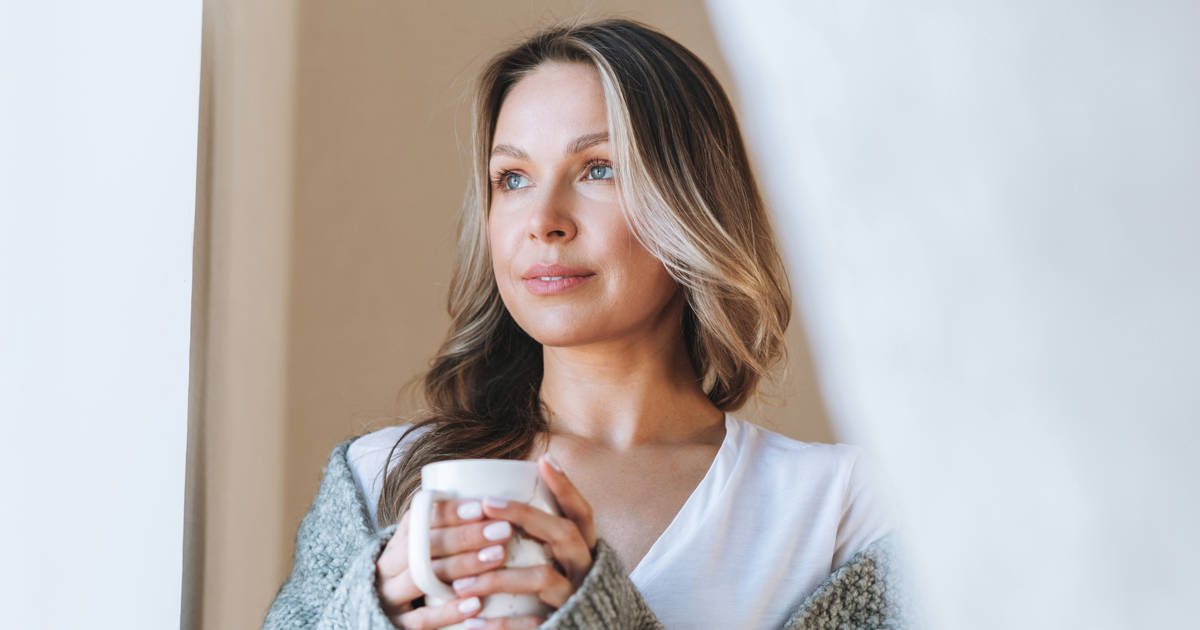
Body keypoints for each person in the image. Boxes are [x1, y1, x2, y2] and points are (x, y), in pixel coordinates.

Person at [264, 16, 911, 630]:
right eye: (512, 178)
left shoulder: (841, 509)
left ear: (690, 201)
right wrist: (371, 613)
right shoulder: (377, 477)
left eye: (599, 169)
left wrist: (597, 616)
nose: (543, 220)